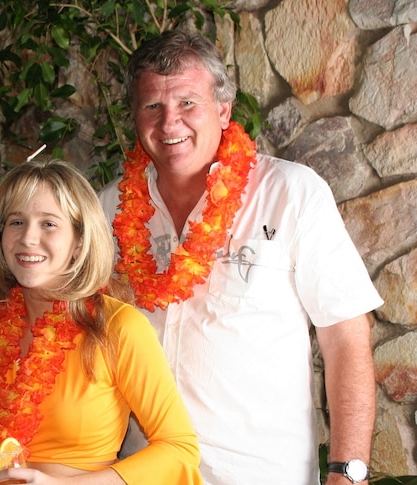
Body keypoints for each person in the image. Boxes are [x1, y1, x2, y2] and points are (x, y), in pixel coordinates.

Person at [98, 29, 381, 484]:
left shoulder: (291, 192)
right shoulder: (105, 211)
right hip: (139, 472)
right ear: (135, 116)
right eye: (153, 106)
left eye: (188, 103)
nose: (170, 123)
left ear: (224, 110)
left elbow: (345, 336)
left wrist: (348, 471)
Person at [0, 159, 202, 484]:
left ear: (78, 241)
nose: (28, 238)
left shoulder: (118, 326)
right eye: (16, 222)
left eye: (49, 224)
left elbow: (179, 449)